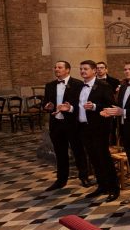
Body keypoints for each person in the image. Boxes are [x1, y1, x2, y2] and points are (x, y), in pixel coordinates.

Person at [41, 60, 89, 191]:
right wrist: (47, 107)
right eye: (55, 67)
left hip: (72, 123)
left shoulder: (78, 84)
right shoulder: (49, 85)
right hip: (56, 124)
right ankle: (61, 180)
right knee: (60, 153)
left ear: (67, 70)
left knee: (78, 150)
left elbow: (81, 105)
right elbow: (45, 103)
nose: (56, 69)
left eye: (60, 67)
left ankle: (84, 176)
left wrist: (70, 108)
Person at [75, 60, 119, 201]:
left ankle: (114, 188)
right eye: (81, 69)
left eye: (85, 69)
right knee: (93, 159)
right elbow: (78, 107)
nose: (82, 71)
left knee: (104, 158)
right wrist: (69, 108)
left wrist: (94, 106)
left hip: (99, 128)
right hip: (84, 127)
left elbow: (111, 105)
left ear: (94, 71)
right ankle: (102, 186)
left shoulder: (103, 86)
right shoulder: (79, 87)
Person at [105, 61, 130, 201]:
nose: (127, 71)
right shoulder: (123, 87)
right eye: (125, 69)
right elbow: (119, 106)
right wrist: (111, 111)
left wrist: (124, 112)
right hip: (125, 131)